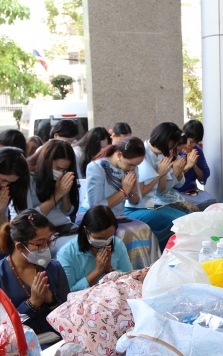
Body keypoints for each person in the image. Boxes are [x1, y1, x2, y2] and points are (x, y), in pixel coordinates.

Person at [0, 210, 69, 335]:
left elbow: (69, 313)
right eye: (40, 244)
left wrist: (51, 301)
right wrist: (31, 304)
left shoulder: (54, 268)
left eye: (49, 241)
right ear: (19, 247)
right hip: (18, 342)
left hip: (56, 338)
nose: (46, 248)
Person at [85, 138, 157, 269]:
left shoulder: (131, 168)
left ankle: (143, 272)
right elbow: (95, 206)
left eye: (136, 166)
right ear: (119, 155)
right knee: (125, 233)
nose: (133, 168)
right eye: (130, 164)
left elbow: (135, 201)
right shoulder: (96, 167)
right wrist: (124, 191)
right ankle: (122, 271)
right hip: (96, 219)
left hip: (118, 217)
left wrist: (133, 192)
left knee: (145, 229)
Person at [124, 123, 191, 248]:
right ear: (165, 140)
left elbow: (161, 190)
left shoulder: (160, 154)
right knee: (179, 222)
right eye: (172, 146)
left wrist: (169, 174)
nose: (173, 150)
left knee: (185, 219)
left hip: (151, 205)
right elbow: (139, 194)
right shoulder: (141, 153)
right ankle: (164, 252)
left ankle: (166, 251)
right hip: (135, 209)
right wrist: (159, 174)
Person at [57, 205, 133, 291]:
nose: (105, 242)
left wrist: (109, 270)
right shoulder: (66, 253)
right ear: (86, 230)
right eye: (99, 238)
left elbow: (130, 279)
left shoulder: (117, 244)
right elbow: (68, 292)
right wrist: (98, 271)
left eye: (109, 237)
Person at [22, 139, 79, 252]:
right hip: (42, 231)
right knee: (73, 250)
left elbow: (68, 211)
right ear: (46, 161)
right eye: (58, 168)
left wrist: (65, 192)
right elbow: (28, 217)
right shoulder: (28, 178)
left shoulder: (61, 176)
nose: (61, 172)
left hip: (64, 227)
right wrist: (57, 195)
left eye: (64, 169)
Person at [176, 119, 216, 210]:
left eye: (195, 142)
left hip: (192, 190)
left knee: (212, 202)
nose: (192, 144)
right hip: (176, 191)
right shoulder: (176, 149)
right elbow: (173, 177)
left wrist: (194, 165)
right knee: (192, 208)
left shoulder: (197, 150)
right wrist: (188, 165)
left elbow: (203, 178)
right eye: (190, 141)